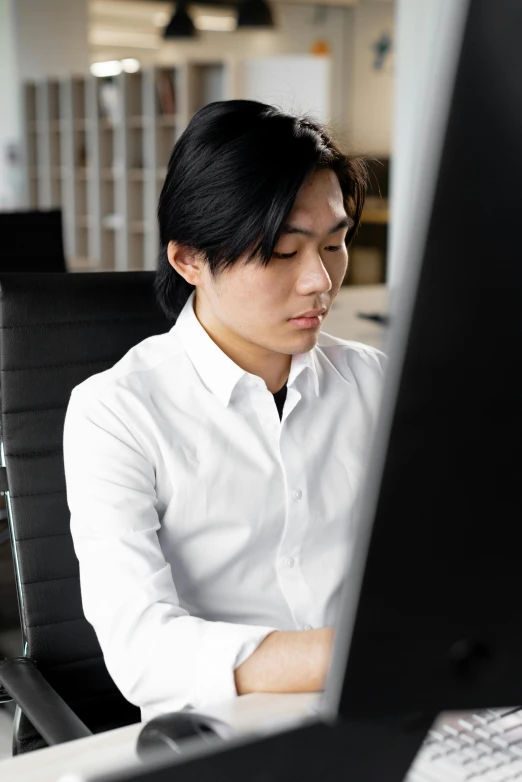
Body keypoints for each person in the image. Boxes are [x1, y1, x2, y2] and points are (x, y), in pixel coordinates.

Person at [63, 100, 387, 723]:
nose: (322, 280)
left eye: (337, 243)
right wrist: (360, 653)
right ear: (189, 260)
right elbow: (143, 649)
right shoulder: (115, 414)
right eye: (284, 253)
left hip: (385, 710)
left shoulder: (374, 382)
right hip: (223, 733)